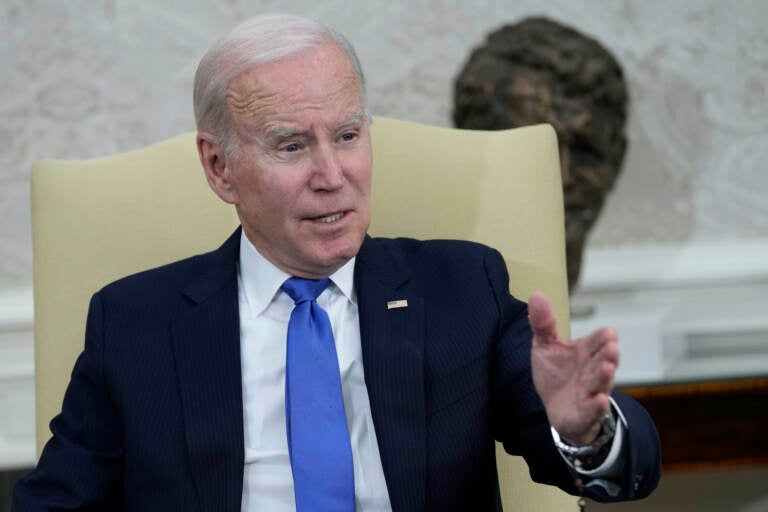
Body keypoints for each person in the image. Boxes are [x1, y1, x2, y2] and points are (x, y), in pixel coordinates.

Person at [13, 13, 660, 511]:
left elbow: (606, 468)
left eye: (348, 136)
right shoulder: (135, 324)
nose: (333, 176)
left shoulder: (462, 289)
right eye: (292, 146)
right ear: (221, 167)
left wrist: (585, 429)